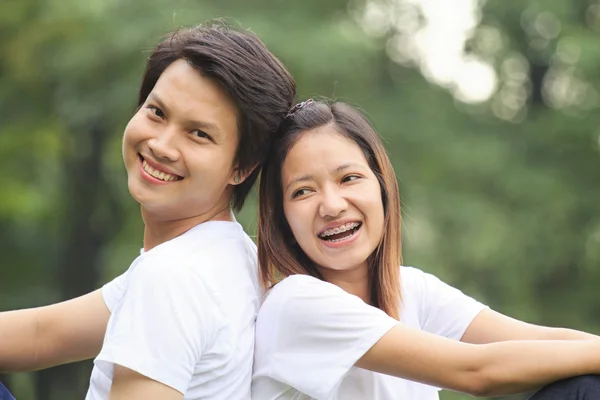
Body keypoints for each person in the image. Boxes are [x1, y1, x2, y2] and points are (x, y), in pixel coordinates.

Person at [0, 22, 295, 399]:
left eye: (198, 134)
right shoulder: (227, 256)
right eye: (156, 112)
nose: (161, 145)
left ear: (242, 167)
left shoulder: (173, 277)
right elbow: (43, 335)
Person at [253, 99, 600, 400]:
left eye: (349, 178)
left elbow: (539, 340)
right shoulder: (297, 303)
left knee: (584, 383)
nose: (331, 205)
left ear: (383, 187)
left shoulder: (410, 290)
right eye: (303, 192)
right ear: (282, 219)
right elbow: (476, 373)